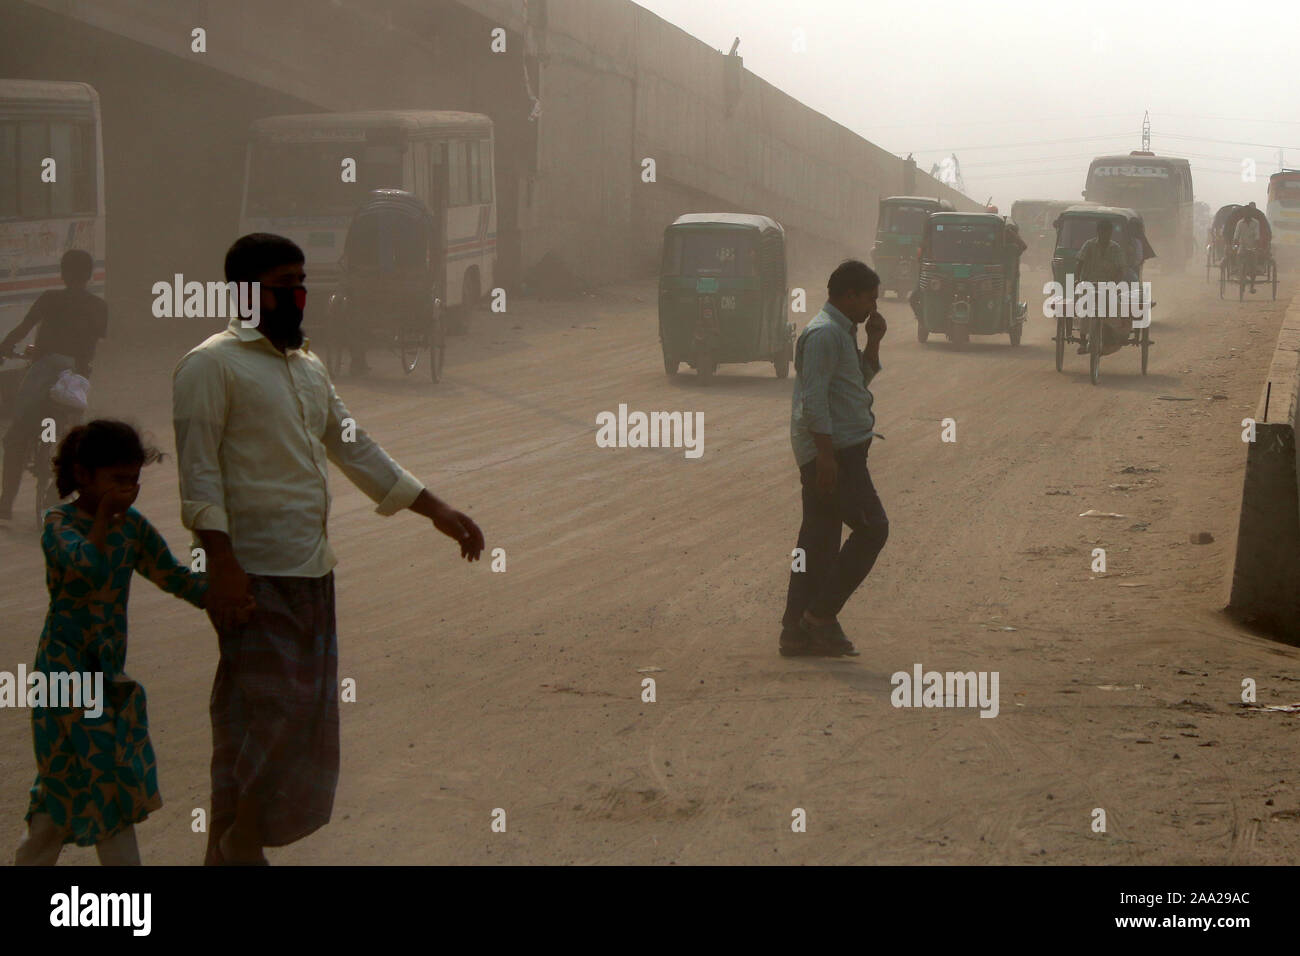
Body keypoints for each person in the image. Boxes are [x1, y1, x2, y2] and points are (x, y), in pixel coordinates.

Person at [173, 233, 486, 865]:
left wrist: (435, 508)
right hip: (251, 576)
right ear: (243, 292)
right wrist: (223, 566)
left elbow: (354, 446)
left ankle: (228, 848)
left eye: (301, 282)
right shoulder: (210, 366)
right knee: (277, 714)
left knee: (273, 719)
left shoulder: (309, 367)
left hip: (312, 572)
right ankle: (240, 839)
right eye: (283, 284)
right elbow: (199, 478)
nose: (298, 296)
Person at [13, 420, 208, 865]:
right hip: (63, 674)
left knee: (61, 785)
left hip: (105, 676)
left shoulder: (133, 529)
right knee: (102, 777)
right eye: (117, 481)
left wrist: (226, 598)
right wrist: (102, 520)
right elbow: (87, 568)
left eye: (134, 481)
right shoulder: (58, 524)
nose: (128, 491)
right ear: (83, 476)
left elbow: (175, 576)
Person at [781, 259, 889, 658]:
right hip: (834, 452)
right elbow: (813, 401)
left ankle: (794, 631)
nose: (872, 308)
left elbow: (852, 385)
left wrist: (873, 342)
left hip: (837, 449)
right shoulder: (825, 334)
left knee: (819, 540)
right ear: (849, 295)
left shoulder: (843, 333)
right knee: (873, 529)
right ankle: (820, 617)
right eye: (869, 299)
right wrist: (826, 458)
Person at [0, 250, 107, 519]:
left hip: (46, 370)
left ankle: (6, 502)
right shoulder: (99, 306)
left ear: (63, 273)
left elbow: (23, 328)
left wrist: (4, 347)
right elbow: (92, 344)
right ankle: (56, 492)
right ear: (89, 275)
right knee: (75, 438)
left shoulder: (50, 298)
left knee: (16, 435)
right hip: (76, 378)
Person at [1072, 220, 1127, 354]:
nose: (1105, 235)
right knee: (1084, 307)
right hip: (1089, 283)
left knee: (1115, 307)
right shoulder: (1089, 245)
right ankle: (1083, 340)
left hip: (1108, 284)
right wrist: (1077, 279)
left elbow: (1121, 270)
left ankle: (1113, 334)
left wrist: (1114, 283)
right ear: (1098, 232)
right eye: (1103, 232)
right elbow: (1080, 262)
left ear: (1111, 233)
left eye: (1108, 232)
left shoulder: (1116, 248)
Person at [1233, 202, 1262, 294]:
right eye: (1245, 213)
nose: (1246, 215)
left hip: (1252, 247)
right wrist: (1235, 242)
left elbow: (1257, 236)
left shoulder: (1256, 223)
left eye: (1248, 213)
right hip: (1242, 246)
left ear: (1251, 214)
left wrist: (1256, 245)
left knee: (1253, 268)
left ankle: (1252, 287)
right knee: (1239, 257)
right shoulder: (1240, 223)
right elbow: (1236, 235)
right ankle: (1239, 273)